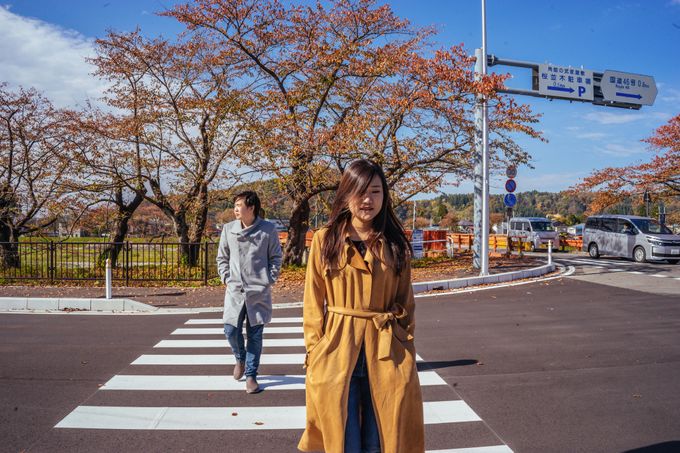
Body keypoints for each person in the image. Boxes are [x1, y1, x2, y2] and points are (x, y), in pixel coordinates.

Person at [298, 160, 425, 453]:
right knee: (343, 441)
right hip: (337, 351)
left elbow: (406, 302)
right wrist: (315, 350)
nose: (368, 200)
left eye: (376, 192)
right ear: (346, 194)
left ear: (385, 196)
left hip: (386, 352)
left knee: (379, 441)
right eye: (360, 191)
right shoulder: (325, 240)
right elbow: (313, 302)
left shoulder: (394, 242)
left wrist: (403, 344)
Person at [217, 191, 282, 394]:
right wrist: (227, 278)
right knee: (230, 330)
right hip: (235, 290)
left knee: (255, 334)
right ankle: (240, 358)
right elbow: (222, 258)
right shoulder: (228, 229)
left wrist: (268, 280)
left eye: (239, 205)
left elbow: (276, 258)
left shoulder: (268, 229)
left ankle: (251, 375)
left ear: (251, 207)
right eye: (235, 205)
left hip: (258, 291)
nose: (236, 209)